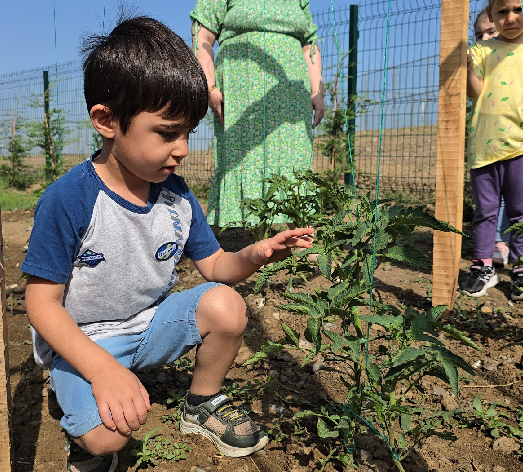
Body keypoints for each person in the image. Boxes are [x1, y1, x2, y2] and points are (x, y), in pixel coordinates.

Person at [21, 16, 314, 471]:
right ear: (107, 120)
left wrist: (256, 254)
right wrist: (101, 369)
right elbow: (41, 306)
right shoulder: (69, 200)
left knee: (227, 305)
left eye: (188, 133)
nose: (182, 150)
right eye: (167, 132)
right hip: (85, 341)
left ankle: (201, 404)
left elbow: (215, 266)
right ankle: (84, 416)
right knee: (105, 439)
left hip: (152, 326)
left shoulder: (176, 196)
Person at [190, 0, 325, 227]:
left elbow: (309, 44)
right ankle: (248, 241)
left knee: (295, 159)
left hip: (291, 95)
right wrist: (209, 86)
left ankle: (302, 237)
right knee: (243, 157)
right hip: (242, 90)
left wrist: (316, 91)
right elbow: (201, 36)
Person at [460, 0, 523, 300]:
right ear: (492, 14)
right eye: (502, 11)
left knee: (522, 214)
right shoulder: (481, 51)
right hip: (484, 146)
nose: (511, 17)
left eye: (519, 9)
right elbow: (475, 93)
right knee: (485, 212)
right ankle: (483, 267)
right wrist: (466, 67)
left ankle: (521, 270)